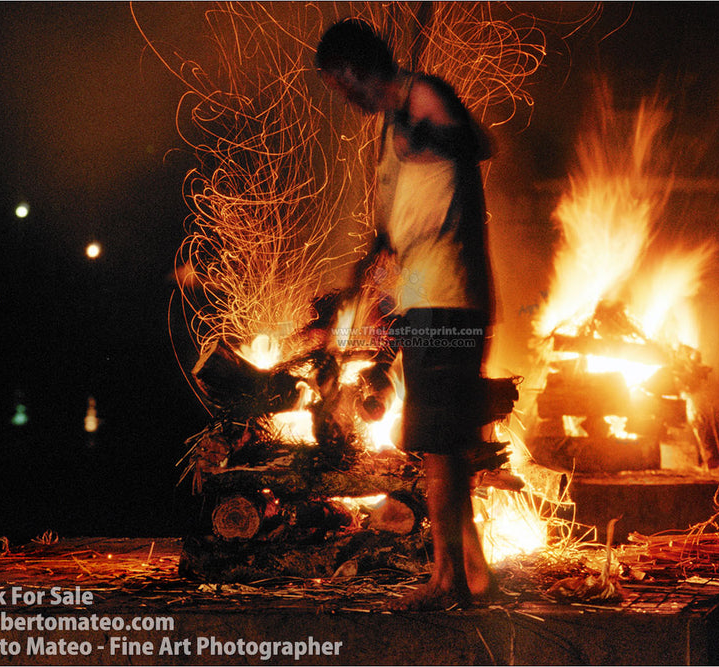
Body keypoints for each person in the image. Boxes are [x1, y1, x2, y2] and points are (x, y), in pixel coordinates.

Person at [316, 18, 497, 611]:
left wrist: (421, 131)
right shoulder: (394, 124)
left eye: (341, 86)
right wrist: (360, 277)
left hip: (450, 296)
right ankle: (474, 574)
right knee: (443, 446)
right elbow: (391, 226)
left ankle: (446, 582)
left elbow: (475, 142)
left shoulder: (423, 96)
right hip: (424, 298)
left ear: (353, 70)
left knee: (441, 448)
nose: (344, 98)